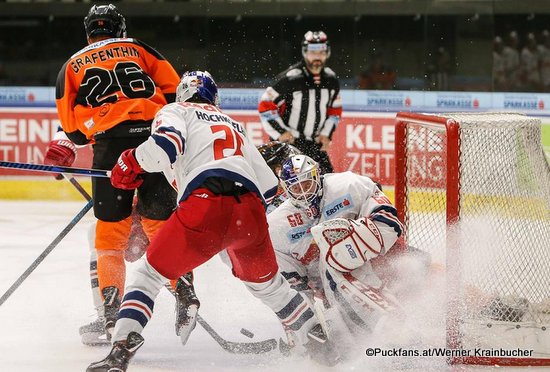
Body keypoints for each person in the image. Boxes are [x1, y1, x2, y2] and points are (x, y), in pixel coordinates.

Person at [87, 71, 339, 372]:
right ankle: (324, 346)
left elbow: (164, 147)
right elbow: (270, 187)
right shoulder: (233, 124)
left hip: (206, 205)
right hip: (250, 214)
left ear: (181, 93)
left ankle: (121, 350)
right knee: (271, 288)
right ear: (214, 98)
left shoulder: (175, 110)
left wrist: (130, 160)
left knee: (149, 275)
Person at [45, 3, 186, 341]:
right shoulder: (140, 49)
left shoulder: (72, 66)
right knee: (165, 230)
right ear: (120, 30)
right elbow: (176, 97)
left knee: (103, 241)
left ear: (87, 31)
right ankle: (187, 292)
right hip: (154, 144)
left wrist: (65, 144)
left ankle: (111, 315)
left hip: (109, 152)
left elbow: (73, 130)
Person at [266, 154, 405, 341]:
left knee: (424, 271)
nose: (304, 192)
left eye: (307, 184)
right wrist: (305, 328)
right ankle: (388, 336)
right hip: (333, 294)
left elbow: (390, 222)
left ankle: (398, 331)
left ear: (317, 175)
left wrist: (353, 247)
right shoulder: (278, 225)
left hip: (383, 259)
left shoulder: (348, 185)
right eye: (296, 188)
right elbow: (291, 284)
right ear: (286, 189)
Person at [258, 30, 342, 174]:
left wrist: (326, 134)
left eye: (321, 52)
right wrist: (281, 132)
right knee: (288, 186)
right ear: (304, 52)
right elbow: (265, 105)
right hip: (289, 145)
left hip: (314, 144)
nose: (317, 56)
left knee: (328, 183)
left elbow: (335, 110)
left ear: (327, 53)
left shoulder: (331, 79)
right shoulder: (290, 79)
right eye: (313, 52)